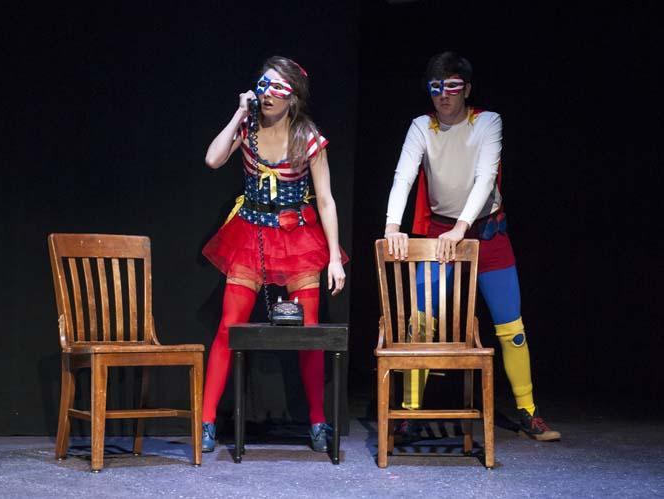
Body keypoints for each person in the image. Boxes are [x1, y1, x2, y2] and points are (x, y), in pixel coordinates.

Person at [384, 51, 560, 441]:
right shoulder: (421, 126)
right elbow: (404, 175)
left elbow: (485, 178)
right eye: (436, 88)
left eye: (452, 87)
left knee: (511, 328)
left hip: (485, 233)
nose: (443, 95)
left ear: (466, 89)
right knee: (421, 323)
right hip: (441, 234)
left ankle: (529, 411)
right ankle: (410, 413)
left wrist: (462, 227)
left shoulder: (487, 122)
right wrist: (393, 226)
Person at [201, 56, 348, 453]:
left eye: (277, 88)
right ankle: (208, 420)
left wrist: (334, 256)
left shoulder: (308, 137)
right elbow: (213, 159)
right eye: (263, 85)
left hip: (297, 236)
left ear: (293, 97)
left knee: (309, 332)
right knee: (229, 328)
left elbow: (327, 200)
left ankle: (317, 421)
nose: (267, 94)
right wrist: (237, 114)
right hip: (250, 235)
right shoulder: (246, 127)